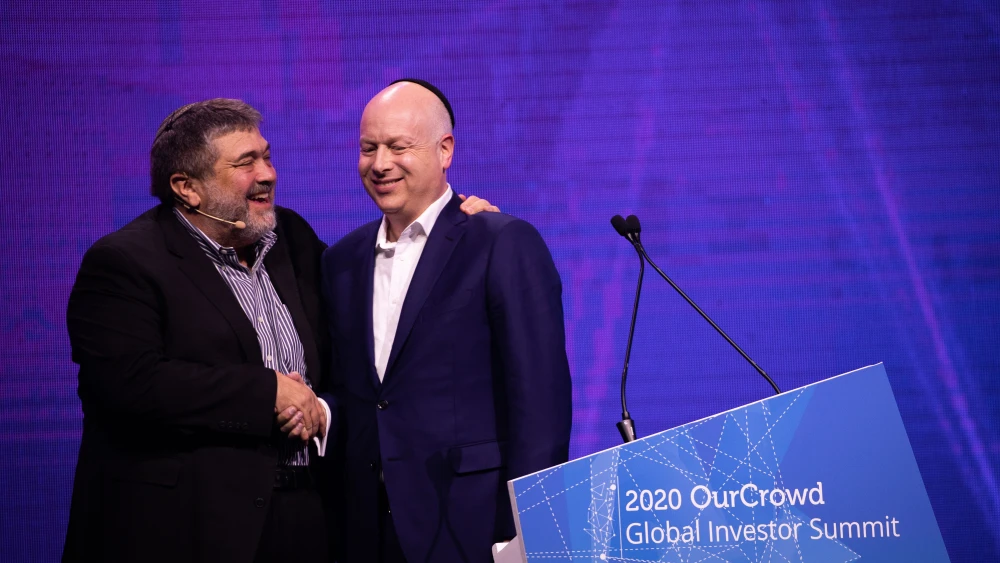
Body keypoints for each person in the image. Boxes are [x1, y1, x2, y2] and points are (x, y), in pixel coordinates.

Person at [62, 98, 496, 563]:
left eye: (266, 156)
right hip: (184, 527)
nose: (267, 174)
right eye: (245, 163)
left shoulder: (292, 238)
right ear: (187, 188)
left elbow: (382, 310)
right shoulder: (125, 263)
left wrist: (453, 235)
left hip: (304, 519)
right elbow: (127, 386)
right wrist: (266, 393)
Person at [320, 79, 573, 562]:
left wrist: (530, 528)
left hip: (475, 524)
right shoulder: (342, 260)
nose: (379, 164)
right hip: (368, 528)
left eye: (398, 147)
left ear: (445, 150)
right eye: (368, 148)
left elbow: (540, 401)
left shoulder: (499, 241)